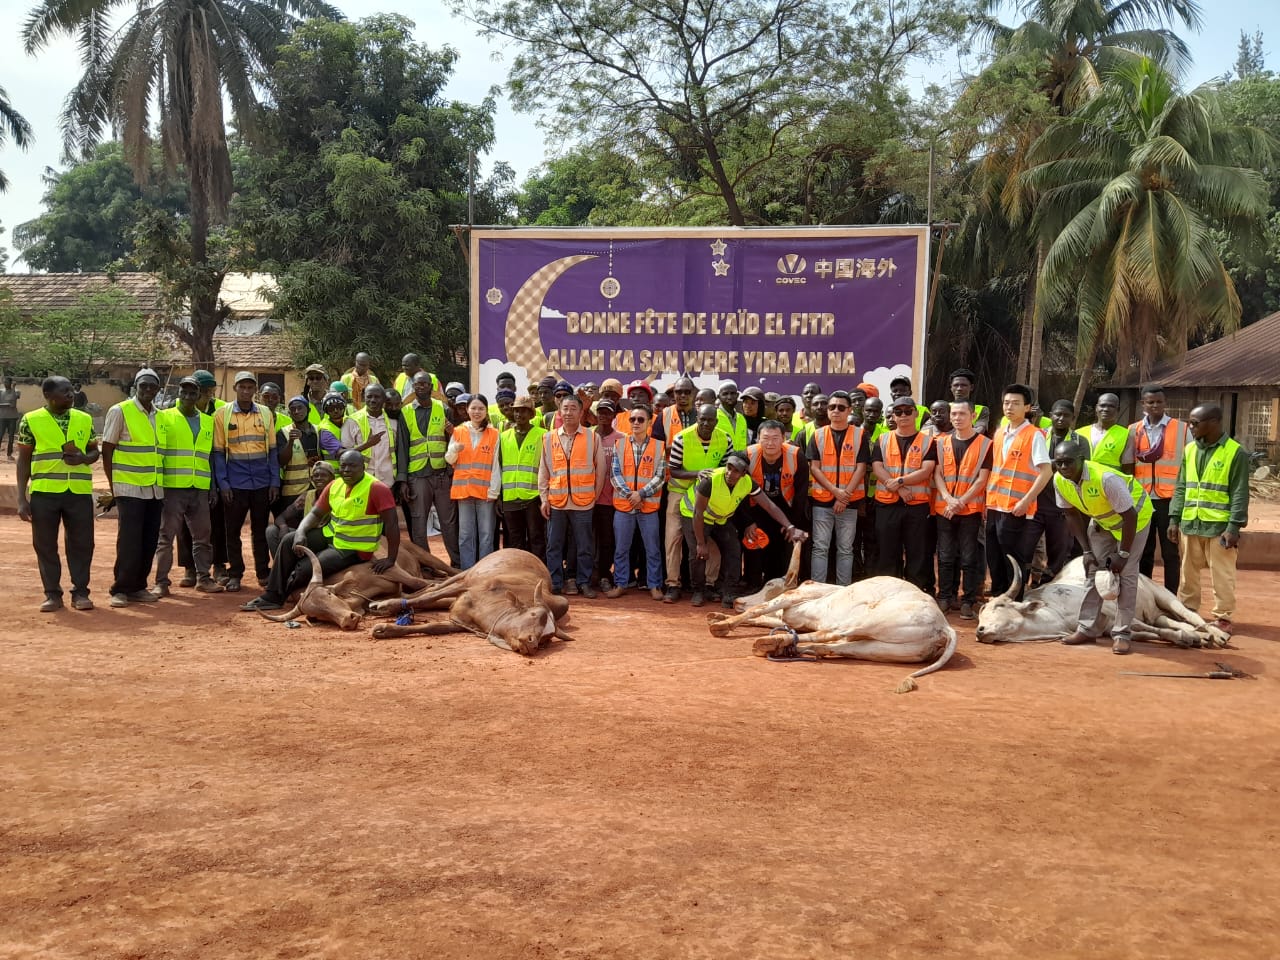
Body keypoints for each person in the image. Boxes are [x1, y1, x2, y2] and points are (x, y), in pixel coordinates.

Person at [241, 450, 399, 612]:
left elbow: (392, 524)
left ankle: (282, 593)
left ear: (363, 467)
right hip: (330, 536)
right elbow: (315, 513)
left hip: (353, 548)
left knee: (304, 567)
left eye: (352, 466)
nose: (346, 470)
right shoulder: (335, 485)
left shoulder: (377, 488)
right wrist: (301, 532)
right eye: (343, 466)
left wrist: (391, 559)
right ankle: (272, 595)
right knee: (289, 539)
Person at [1053, 439, 1152, 655]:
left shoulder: (1106, 479)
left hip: (1134, 520)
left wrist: (1123, 554)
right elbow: (1070, 513)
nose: (1063, 468)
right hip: (1104, 521)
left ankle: (1122, 633)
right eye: (1058, 463)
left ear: (1082, 460)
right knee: (1093, 571)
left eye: (1068, 462)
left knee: (1125, 574)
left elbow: (1130, 515)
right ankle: (1087, 628)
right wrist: (1087, 551)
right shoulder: (1059, 480)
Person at [681, 452, 807, 608]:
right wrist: (701, 543)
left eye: (736, 470)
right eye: (728, 467)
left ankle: (728, 591)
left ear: (743, 473)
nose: (730, 473)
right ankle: (698, 590)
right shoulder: (710, 480)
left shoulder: (748, 483)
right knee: (698, 553)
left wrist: (790, 526)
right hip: (693, 515)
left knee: (734, 549)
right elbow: (697, 513)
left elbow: (769, 505)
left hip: (720, 519)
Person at [15, 376, 99, 611]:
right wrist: (22, 498)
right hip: (44, 493)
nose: (71, 395)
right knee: (45, 545)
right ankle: (53, 594)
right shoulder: (30, 420)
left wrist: (83, 458)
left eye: (71, 390)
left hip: (79, 492)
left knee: (82, 544)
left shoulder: (84, 419)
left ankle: (81, 593)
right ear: (49, 396)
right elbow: (23, 460)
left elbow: (94, 453)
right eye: (65, 391)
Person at [1169, 403, 1250, 636]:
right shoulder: (1189, 450)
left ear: (1214, 422)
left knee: (1222, 574)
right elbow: (1182, 485)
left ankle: (1223, 617)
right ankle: (1188, 610)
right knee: (1187, 573)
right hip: (1190, 523)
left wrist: (1234, 526)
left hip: (1219, 527)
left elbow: (1239, 492)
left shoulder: (1235, 452)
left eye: (1195, 423)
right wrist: (1174, 518)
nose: (1190, 427)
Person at [101, 368, 166, 607]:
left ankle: (139, 586)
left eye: (152, 386)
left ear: (158, 389)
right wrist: (113, 487)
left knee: (149, 539)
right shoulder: (120, 411)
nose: (148, 390)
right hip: (128, 488)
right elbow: (107, 450)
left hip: (154, 488)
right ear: (135, 387)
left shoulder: (160, 416)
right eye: (143, 385)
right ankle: (121, 588)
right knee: (129, 540)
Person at [153, 376, 223, 596]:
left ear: (199, 394)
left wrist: (212, 487)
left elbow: (209, 456)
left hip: (199, 488)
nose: (188, 396)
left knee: (203, 536)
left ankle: (204, 578)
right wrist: (158, 484)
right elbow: (159, 453)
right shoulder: (165, 418)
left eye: (193, 393)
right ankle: (161, 582)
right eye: (184, 392)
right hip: (173, 487)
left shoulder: (207, 421)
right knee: (166, 537)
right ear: (178, 393)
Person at [212, 370, 278, 593]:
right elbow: (219, 453)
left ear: (254, 390)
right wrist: (223, 483)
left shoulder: (266, 413)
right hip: (235, 484)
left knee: (260, 531)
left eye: (250, 387)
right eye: (242, 387)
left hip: (261, 482)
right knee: (233, 532)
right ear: (235, 388)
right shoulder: (222, 415)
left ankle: (263, 573)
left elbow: (273, 451)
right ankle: (235, 574)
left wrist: (274, 482)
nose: (246, 391)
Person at [985, 384, 1052, 599]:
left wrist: (1026, 501)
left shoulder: (1034, 435)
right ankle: (998, 598)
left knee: (1013, 558)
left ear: (1027, 407)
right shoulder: (1000, 433)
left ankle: (1015, 601)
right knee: (994, 556)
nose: (1009, 407)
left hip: (1017, 508)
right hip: (995, 505)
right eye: (1006, 403)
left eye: (1015, 403)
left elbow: (1046, 471)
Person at [539, 394, 606, 597]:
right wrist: (544, 499)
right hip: (557, 501)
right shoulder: (549, 438)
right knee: (554, 545)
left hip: (583, 502)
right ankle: (556, 582)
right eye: (565, 408)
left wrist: (593, 496)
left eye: (573, 408)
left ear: (580, 412)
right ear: (560, 411)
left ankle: (583, 581)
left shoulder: (592, 437)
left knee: (584, 545)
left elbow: (600, 469)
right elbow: (544, 470)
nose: (568, 413)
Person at [663, 403, 731, 603]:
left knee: (710, 539)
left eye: (710, 420)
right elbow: (674, 469)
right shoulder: (682, 438)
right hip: (680, 490)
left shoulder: (724, 438)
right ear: (697, 419)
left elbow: (726, 469)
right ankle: (673, 584)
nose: (706, 423)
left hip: (709, 493)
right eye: (702, 419)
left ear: (716, 421)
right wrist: (697, 474)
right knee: (673, 538)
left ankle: (708, 584)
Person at [933, 400, 991, 619]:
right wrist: (948, 499)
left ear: (973, 416)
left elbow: (981, 479)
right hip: (944, 508)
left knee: (969, 557)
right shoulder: (941, 443)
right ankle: (945, 597)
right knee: (945, 555)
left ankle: (967, 600)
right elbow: (937, 473)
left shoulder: (985, 444)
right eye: (954, 414)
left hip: (970, 510)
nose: (957, 418)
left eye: (962, 414)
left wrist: (960, 502)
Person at [1130, 384, 1191, 592]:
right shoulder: (1133, 430)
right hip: (1142, 499)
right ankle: (1145, 596)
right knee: (1144, 552)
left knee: (1170, 553)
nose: (1155, 405)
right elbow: (1129, 466)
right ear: (1143, 404)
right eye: (1150, 402)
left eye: (1159, 402)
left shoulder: (1182, 429)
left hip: (1169, 500)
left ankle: (1171, 597)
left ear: (1165, 403)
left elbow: (1189, 465)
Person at [873, 396, 937, 589]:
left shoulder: (928, 441)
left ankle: (917, 591)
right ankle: (888, 592)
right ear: (893, 416)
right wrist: (899, 488)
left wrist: (901, 481)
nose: (903, 416)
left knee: (917, 552)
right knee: (887, 551)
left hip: (916, 506)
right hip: (887, 504)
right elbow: (877, 466)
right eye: (898, 412)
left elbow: (927, 470)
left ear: (916, 413)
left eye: (908, 411)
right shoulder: (882, 439)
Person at [606, 403, 667, 600]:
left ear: (649, 422)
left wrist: (640, 494)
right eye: (633, 419)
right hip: (624, 506)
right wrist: (631, 496)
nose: (636, 423)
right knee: (621, 548)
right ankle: (621, 583)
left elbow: (660, 477)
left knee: (652, 549)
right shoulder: (620, 444)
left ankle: (655, 585)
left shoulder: (659, 446)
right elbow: (614, 475)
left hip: (648, 507)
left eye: (641, 419)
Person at [807, 390, 868, 586]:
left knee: (845, 549)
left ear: (849, 410)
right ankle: (817, 590)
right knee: (820, 548)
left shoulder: (860, 435)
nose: (835, 411)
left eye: (841, 407)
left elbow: (861, 468)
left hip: (849, 503)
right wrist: (836, 493)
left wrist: (844, 496)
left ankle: (843, 591)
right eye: (832, 407)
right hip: (822, 501)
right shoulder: (817, 435)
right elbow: (814, 468)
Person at [745, 419, 809, 588]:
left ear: (783, 438)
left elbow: (801, 493)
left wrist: (792, 524)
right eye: (765, 438)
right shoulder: (747, 455)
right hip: (756, 507)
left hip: (785, 506)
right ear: (758, 438)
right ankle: (753, 585)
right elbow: (741, 494)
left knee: (784, 546)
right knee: (754, 544)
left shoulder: (796, 455)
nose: (770, 443)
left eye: (775, 438)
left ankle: (784, 585)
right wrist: (748, 522)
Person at [447, 394, 501, 568]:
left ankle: (484, 571)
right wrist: (455, 449)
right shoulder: (458, 431)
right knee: (465, 534)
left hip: (485, 492)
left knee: (486, 534)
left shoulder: (494, 434)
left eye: (481, 408)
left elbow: (496, 464)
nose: (477, 412)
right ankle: (467, 571)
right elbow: (449, 459)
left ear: (486, 411)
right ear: (467, 410)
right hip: (464, 492)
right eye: (473, 408)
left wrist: (494, 490)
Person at [1029, 399, 1078, 584]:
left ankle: (1048, 587)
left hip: (1062, 506)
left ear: (1073, 419)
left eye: (1066, 415)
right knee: (1027, 547)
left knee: (1058, 551)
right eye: (1057, 414)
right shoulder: (1039, 435)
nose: (1060, 418)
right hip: (1036, 502)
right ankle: (1028, 585)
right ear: (1050, 416)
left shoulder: (1079, 441)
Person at [499, 394, 547, 561]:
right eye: (517, 411)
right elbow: (498, 466)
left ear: (531, 414)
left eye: (524, 411)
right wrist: (499, 496)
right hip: (510, 497)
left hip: (533, 497)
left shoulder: (543, 435)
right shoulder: (504, 436)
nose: (519, 414)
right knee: (515, 539)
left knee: (536, 537)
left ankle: (538, 572)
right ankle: (518, 573)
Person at [268, 461, 335, 556]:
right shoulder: (307, 496)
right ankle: (282, 566)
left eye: (323, 475)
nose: (319, 478)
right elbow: (281, 517)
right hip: (306, 534)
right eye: (316, 476)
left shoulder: (337, 495)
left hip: (325, 537)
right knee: (271, 531)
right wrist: (283, 527)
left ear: (332, 478)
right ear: (311, 479)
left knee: (290, 538)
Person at [342, 383, 400, 488]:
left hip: (388, 482)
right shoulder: (352, 421)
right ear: (364, 398)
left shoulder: (393, 422)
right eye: (369, 396)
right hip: (361, 481)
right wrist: (367, 444)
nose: (373, 400)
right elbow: (345, 454)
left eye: (377, 397)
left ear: (383, 400)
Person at [591, 400, 623, 590]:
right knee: (587, 539)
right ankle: (588, 574)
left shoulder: (622, 438)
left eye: (607, 413)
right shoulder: (587, 436)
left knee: (607, 539)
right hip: (586, 497)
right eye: (600, 413)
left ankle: (604, 574)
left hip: (610, 499)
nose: (603, 416)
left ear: (614, 416)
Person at [275, 395, 321, 517]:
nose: (297, 411)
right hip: (293, 491)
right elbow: (281, 461)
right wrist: (290, 442)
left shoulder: (318, 431)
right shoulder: (283, 433)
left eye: (300, 408)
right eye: (293, 409)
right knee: (292, 526)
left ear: (308, 410)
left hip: (316, 488)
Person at [1076, 392, 1134, 473]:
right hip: (1083, 483)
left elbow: (1128, 468)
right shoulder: (1079, 433)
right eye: (1102, 405)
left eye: (1111, 406)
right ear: (1096, 408)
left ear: (1118, 410)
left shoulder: (1126, 435)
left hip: (1111, 483)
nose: (1106, 409)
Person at [949, 369, 989, 434]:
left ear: (971, 387)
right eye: (956, 385)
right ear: (951, 388)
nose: (959, 389)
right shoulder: (943, 408)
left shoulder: (981, 410)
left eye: (963, 385)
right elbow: (931, 429)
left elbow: (979, 431)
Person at [715, 380, 748, 449]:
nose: (729, 397)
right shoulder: (713, 417)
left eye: (732, 393)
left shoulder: (741, 418)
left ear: (737, 395)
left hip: (740, 459)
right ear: (718, 397)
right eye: (725, 394)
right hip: (720, 459)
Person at [0, 376, 21, 459]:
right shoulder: (1, 391)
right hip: (2, 416)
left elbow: (13, 403)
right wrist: (7, 405)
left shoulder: (16, 391)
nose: (5, 384)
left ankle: (9, 454)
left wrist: (13, 388)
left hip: (12, 417)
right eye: (4, 382)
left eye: (7, 382)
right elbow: (10, 404)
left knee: (11, 436)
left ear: (11, 383)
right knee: (0, 435)